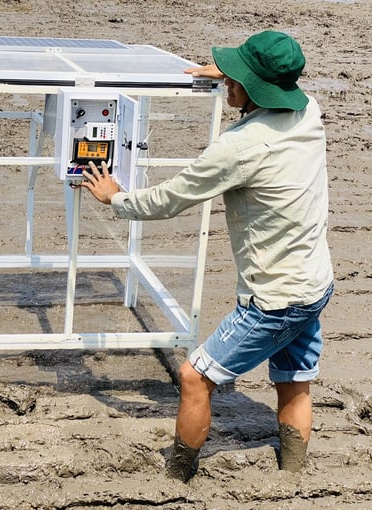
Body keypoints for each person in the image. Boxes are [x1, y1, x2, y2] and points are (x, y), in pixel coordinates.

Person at [80, 31, 334, 481]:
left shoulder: (240, 147)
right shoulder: (309, 112)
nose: (228, 83)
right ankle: (292, 476)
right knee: (294, 380)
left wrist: (115, 199)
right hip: (316, 285)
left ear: (257, 88)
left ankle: (178, 477)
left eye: (238, 77)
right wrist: (238, 75)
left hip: (274, 298)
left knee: (195, 377)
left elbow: (171, 199)